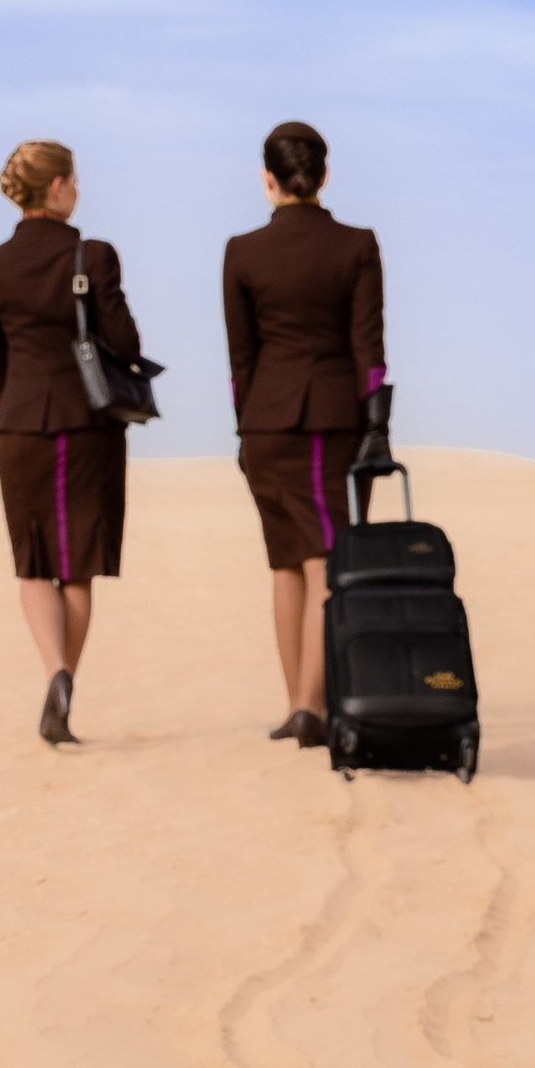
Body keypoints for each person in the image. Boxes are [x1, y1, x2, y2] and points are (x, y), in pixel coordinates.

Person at [222, 121, 393, 748]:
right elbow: (368, 348)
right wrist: (378, 420)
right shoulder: (356, 244)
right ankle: (310, 707)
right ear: (325, 175)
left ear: (268, 179)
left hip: (265, 421)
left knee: (284, 563)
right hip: (331, 418)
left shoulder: (241, 250)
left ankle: (299, 700)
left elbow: (240, 358)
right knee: (326, 556)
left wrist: (245, 423)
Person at [0, 140, 148, 747]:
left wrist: (18, 401)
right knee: (77, 569)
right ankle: (64, 687)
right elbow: (123, 340)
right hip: (86, 425)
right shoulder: (93, 255)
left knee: (32, 564)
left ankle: (55, 674)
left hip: (20, 425)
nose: (78, 190)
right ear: (56, 188)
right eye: (74, 181)